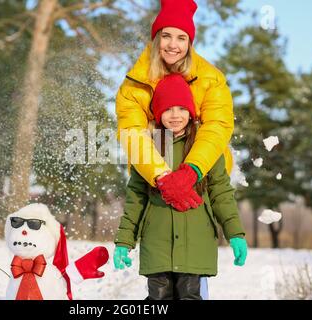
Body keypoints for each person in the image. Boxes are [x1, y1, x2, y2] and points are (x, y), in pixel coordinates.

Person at [113, 74, 247, 300]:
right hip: (157, 242)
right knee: (158, 298)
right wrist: (124, 241)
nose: (175, 115)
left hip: (195, 242)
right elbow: (135, 197)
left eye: (181, 109)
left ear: (191, 112)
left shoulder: (205, 148)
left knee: (190, 296)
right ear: (157, 113)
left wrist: (235, 233)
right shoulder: (147, 148)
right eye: (168, 109)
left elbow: (221, 193)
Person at [116, 0, 234, 212]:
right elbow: (131, 132)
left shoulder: (211, 79)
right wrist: (162, 177)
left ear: (189, 43)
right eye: (166, 36)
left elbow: (217, 126)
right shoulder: (134, 84)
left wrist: (192, 171)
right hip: (155, 177)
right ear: (156, 38)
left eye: (181, 38)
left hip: (201, 174)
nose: (173, 45)